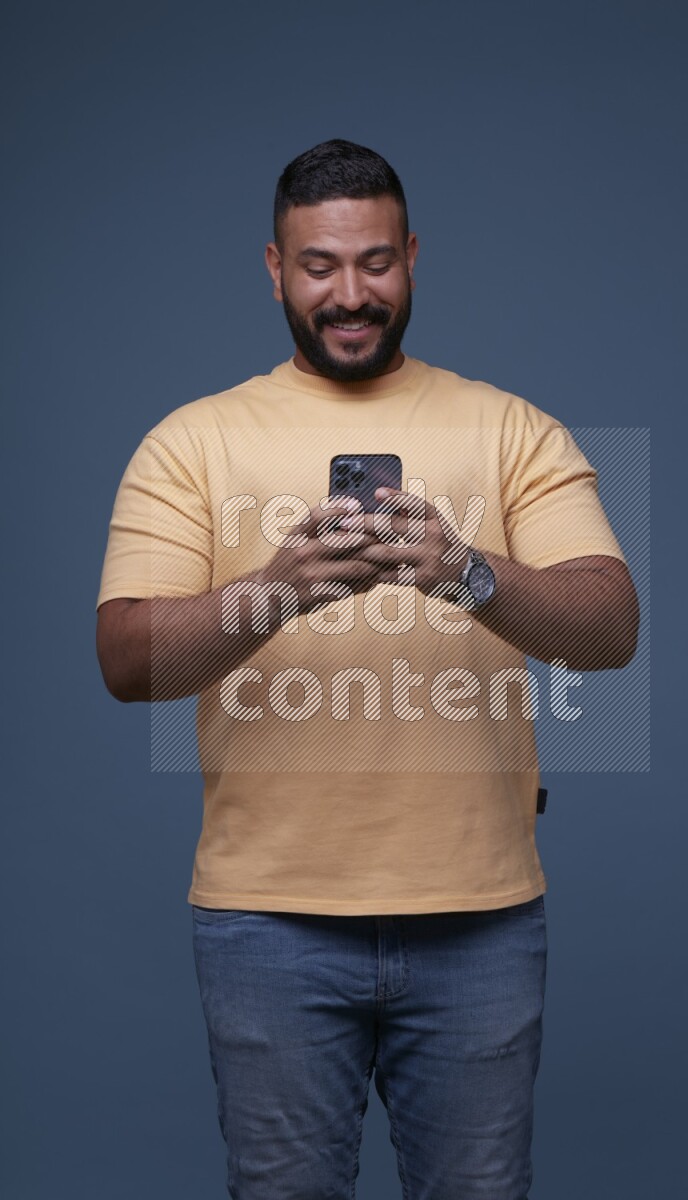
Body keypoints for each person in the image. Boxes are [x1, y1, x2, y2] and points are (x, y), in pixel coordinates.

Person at [96, 139, 639, 1200]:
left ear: (412, 259)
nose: (350, 294)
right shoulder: (190, 442)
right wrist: (280, 589)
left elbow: (608, 630)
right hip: (265, 923)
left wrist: (466, 572)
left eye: (375, 262)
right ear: (273, 267)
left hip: (480, 919)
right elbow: (126, 659)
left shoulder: (511, 428)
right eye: (318, 266)